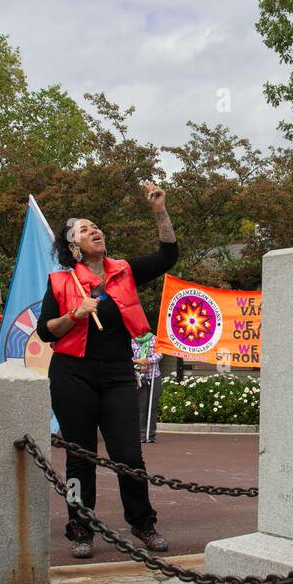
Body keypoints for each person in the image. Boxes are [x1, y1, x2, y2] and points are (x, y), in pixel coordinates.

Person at [37, 184, 179, 559]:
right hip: (71, 375)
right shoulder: (61, 282)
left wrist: (159, 211)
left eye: (95, 226)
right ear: (73, 247)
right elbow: (44, 330)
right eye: (84, 230)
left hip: (117, 374)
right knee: (78, 456)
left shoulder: (125, 271)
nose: (94, 230)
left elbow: (168, 256)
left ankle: (143, 524)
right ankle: (80, 528)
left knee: (129, 455)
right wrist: (74, 314)